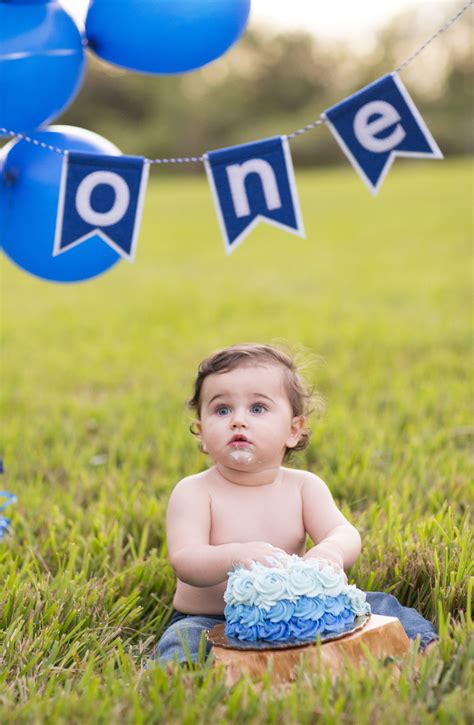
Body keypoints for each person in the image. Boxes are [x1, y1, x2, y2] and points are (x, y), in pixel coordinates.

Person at [148, 343, 438, 669]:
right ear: (201, 432)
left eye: (257, 408)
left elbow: (343, 532)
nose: (238, 421)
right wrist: (235, 556)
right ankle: (171, 681)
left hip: (296, 609)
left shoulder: (303, 487)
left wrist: (331, 552)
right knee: (183, 637)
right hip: (212, 618)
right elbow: (185, 559)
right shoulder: (195, 492)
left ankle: (425, 652)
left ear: (293, 430)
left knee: (381, 603)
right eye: (222, 410)